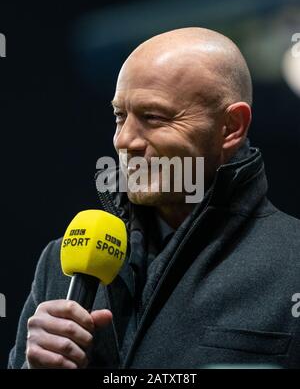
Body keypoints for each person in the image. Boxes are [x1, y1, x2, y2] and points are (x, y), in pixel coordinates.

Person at [8, 27, 300, 369]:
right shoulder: (59, 263)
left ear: (231, 127)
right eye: (120, 116)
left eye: (153, 117)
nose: (124, 141)